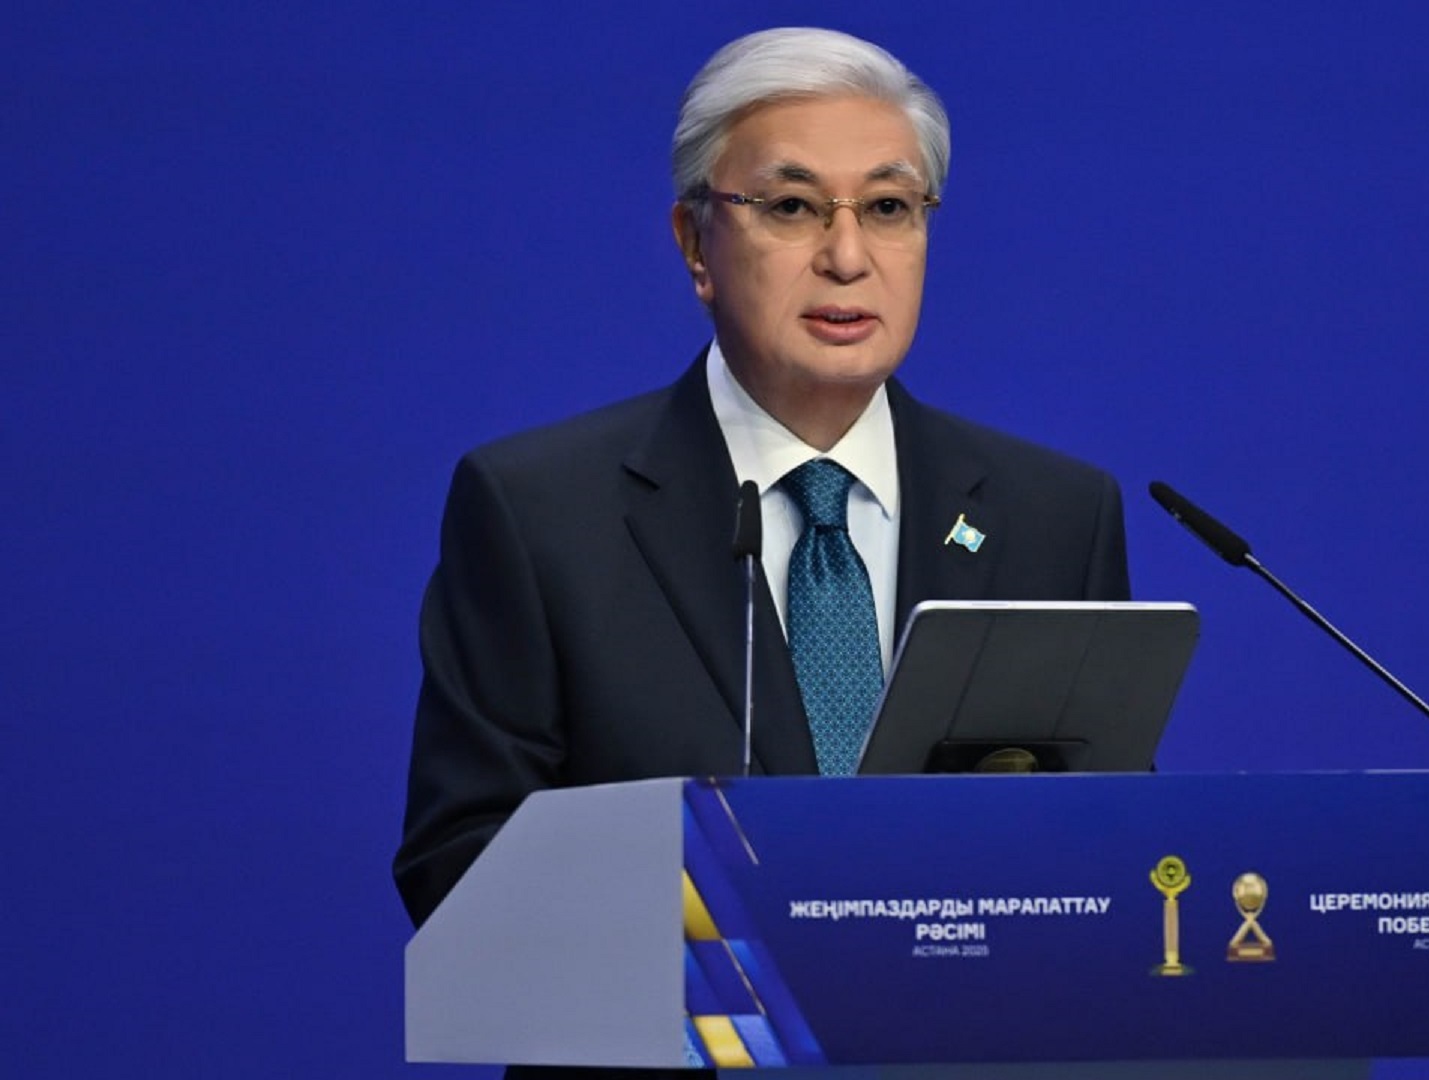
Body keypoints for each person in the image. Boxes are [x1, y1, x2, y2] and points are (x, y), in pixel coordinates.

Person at [394, 27, 1129, 954]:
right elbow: (463, 865)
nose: (847, 256)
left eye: (889, 207)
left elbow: (1111, 849)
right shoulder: (541, 514)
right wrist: (727, 950)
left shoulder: (1054, 516)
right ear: (694, 244)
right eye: (792, 207)